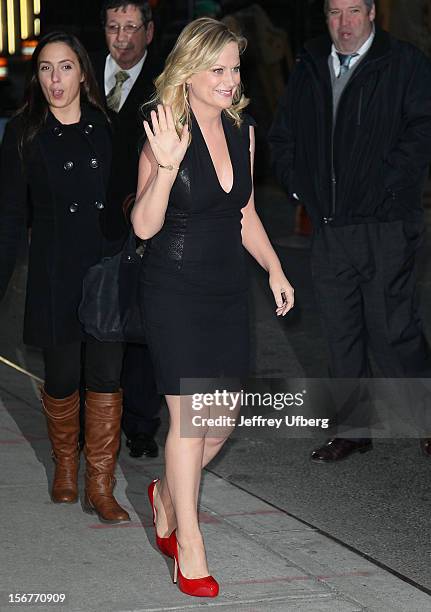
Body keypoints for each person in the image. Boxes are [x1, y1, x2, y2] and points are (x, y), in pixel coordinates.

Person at [131, 17, 294, 597]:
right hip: (173, 287)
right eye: (218, 69)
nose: (230, 80)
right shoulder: (163, 128)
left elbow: (243, 213)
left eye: (235, 69)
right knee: (189, 418)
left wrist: (273, 267)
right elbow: (144, 226)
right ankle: (189, 547)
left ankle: (165, 495)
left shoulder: (244, 130)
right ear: (188, 72)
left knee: (219, 424)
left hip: (227, 289)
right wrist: (168, 163)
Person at [269, 0, 431, 462]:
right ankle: (353, 430)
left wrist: (384, 187)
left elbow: (422, 133)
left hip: (385, 224)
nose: (344, 23)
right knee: (341, 333)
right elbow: (283, 136)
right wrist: (302, 187)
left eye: (354, 11)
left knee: (394, 330)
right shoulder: (309, 64)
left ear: (373, 12)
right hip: (331, 226)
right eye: (335, 13)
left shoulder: (404, 63)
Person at [0, 32, 130, 523]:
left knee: (105, 376)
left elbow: (128, 202)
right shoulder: (24, 133)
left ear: (83, 73)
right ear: (37, 77)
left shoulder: (109, 127)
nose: (56, 79)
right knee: (61, 378)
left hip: (106, 270)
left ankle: (101, 484)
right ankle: (65, 467)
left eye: (66, 67)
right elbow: (11, 215)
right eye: (46, 69)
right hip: (56, 271)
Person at [92, 0, 163, 458]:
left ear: (149, 33)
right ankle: (93, 422)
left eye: (131, 27)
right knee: (91, 324)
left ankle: (140, 425)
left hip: (140, 225)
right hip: (86, 224)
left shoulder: (162, 88)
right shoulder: (79, 77)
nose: (122, 37)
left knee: (138, 328)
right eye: (114, 28)